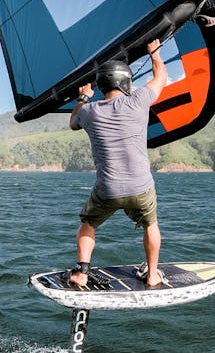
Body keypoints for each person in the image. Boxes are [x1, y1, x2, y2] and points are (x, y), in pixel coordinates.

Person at [68, 39, 168, 288]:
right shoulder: (139, 100)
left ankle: (81, 273)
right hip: (140, 188)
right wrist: (154, 53)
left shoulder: (89, 111)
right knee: (150, 224)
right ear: (126, 83)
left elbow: (72, 122)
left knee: (87, 225)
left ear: (102, 85)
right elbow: (161, 78)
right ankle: (153, 274)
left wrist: (83, 96)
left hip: (107, 190)